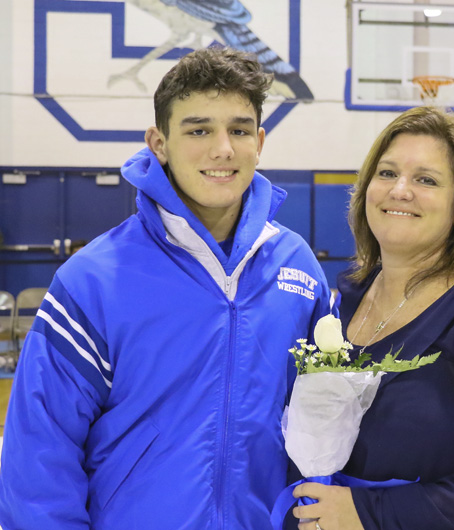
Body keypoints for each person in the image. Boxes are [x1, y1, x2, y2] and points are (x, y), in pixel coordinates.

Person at [0, 47, 331, 528]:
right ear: (159, 143)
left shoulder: (296, 268)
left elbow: (324, 424)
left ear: (259, 142)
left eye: (239, 130)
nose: (223, 149)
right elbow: (39, 457)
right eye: (199, 130)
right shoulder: (95, 278)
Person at [286, 106, 454, 529]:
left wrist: (371, 513)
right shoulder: (343, 306)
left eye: (426, 180)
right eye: (387, 173)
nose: (400, 190)